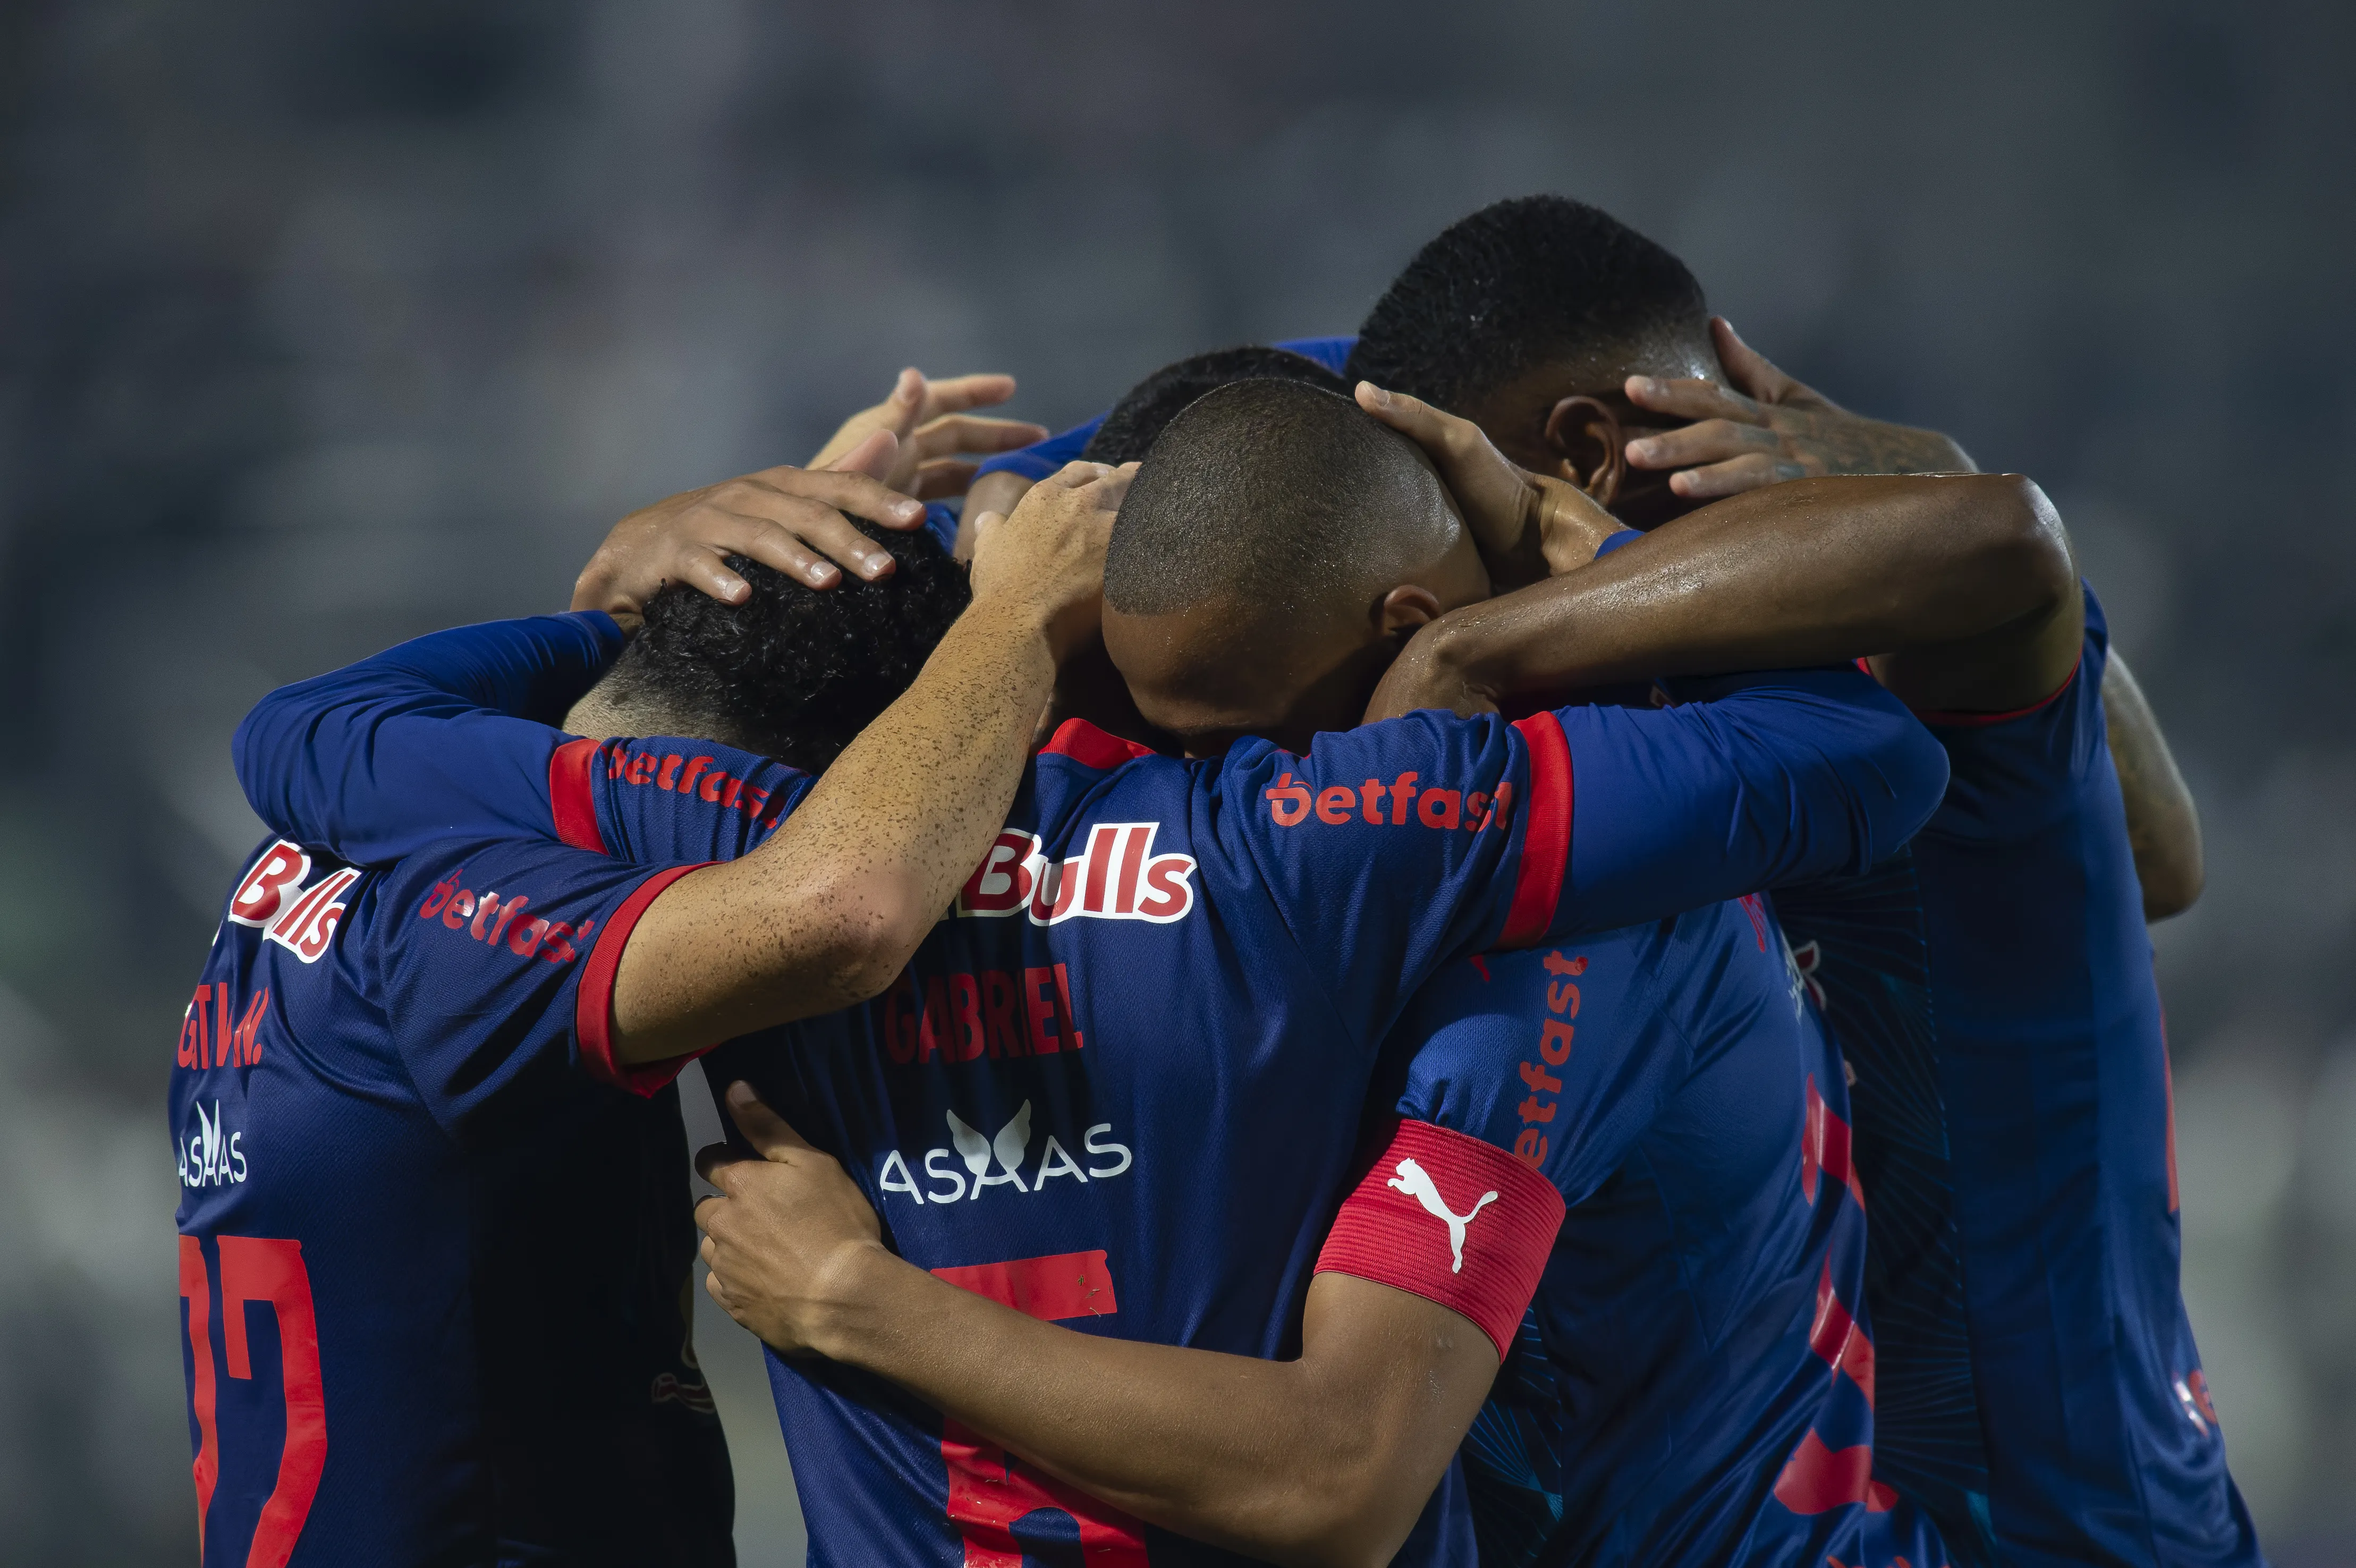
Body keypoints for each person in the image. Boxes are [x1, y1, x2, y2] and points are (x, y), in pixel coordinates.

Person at [233, 379, 1956, 1566]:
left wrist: (653, 589)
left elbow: (315, 732)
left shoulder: (741, 839)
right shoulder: (1343, 836)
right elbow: (1870, 750)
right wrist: (1529, 618)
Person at [171, 396, 1120, 1567]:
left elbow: (642, 698)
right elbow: (845, 907)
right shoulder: (465, 941)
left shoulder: (382, 819)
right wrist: (1018, 621)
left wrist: (709, 583)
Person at [1357, 370, 2261, 1568]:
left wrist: (1482, 637)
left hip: (2085, 1516)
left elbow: (2010, 559)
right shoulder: (1710, 744)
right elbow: (2168, 857)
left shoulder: (1886, 684)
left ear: (1580, 464)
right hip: (1910, 1496)